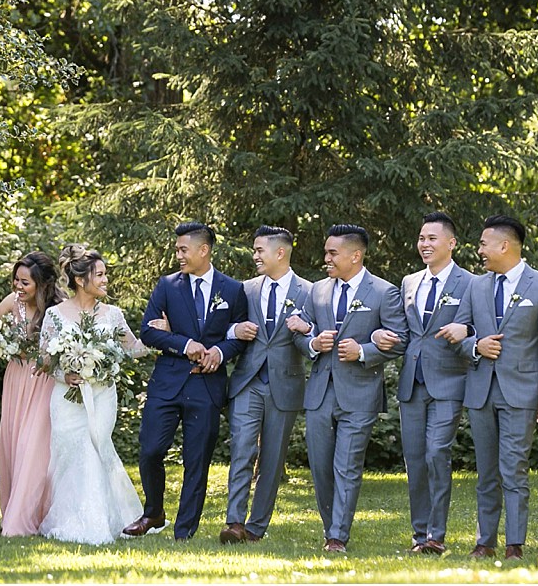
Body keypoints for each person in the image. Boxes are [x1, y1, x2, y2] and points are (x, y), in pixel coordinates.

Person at [436, 215, 538, 560]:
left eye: (483, 244)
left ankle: (515, 545)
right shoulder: (476, 286)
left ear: (504, 246)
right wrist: (476, 346)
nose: (479, 250)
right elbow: (459, 335)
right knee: (486, 472)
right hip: (481, 392)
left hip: (521, 393)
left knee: (514, 468)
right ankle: (485, 542)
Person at [123, 222, 247, 541]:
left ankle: (184, 532)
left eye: (183, 249)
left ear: (203, 250)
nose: (178, 255)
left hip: (207, 385)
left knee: (197, 460)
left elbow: (240, 335)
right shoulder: (167, 286)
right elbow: (148, 332)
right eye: (177, 249)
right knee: (151, 449)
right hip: (167, 382)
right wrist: (184, 344)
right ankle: (153, 512)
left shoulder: (232, 289)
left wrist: (219, 352)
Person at [289, 224, 408, 552]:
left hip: (360, 394)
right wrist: (313, 343)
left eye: (332, 253)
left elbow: (400, 340)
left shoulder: (384, 292)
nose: (326, 258)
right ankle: (331, 529)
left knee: (347, 465)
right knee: (321, 468)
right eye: (326, 252)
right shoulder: (317, 290)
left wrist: (364, 351)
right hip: (320, 393)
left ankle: (338, 536)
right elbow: (299, 335)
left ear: (355, 256)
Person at [372, 212, 475, 554]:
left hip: (449, 382)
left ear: (451, 243)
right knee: (415, 460)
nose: (424, 244)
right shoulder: (409, 282)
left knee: (436, 453)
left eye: (432, 238)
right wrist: (380, 337)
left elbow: (480, 326)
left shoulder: (471, 283)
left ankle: (436, 535)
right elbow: (403, 334)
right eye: (421, 238)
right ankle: (420, 536)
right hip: (412, 384)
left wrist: (469, 330)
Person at [37, 244, 148, 545]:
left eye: (105, 274)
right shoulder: (55, 314)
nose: (105, 280)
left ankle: (101, 520)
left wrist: (158, 334)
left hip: (101, 395)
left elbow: (133, 349)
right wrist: (64, 374)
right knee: (73, 453)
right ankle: (74, 519)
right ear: (80, 279)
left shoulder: (113, 314)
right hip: (66, 397)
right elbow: (44, 359)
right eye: (99, 275)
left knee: (95, 448)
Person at [219, 225, 312, 543]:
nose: (255, 256)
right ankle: (234, 522)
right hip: (248, 382)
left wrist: (307, 329)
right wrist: (235, 331)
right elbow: (223, 328)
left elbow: (315, 333)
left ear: (280, 252)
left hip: (285, 385)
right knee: (242, 450)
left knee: (272, 459)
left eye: (260, 250)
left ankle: (256, 527)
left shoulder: (309, 291)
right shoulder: (244, 290)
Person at [0, 251, 65, 537]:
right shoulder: (12, 303)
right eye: (16, 280)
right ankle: (14, 510)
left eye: (25, 282)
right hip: (16, 378)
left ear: (42, 284)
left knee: (33, 448)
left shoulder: (58, 309)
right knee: (13, 445)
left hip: (44, 382)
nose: (18, 287)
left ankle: (27, 516)